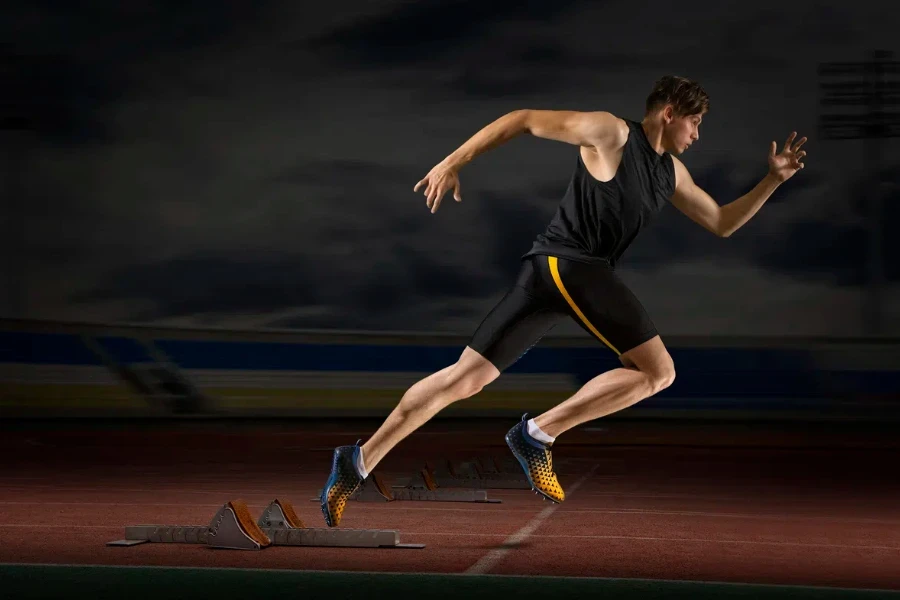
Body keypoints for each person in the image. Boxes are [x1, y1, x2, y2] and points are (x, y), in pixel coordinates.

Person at [320, 75, 807, 527]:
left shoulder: (670, 173)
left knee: (464, 380)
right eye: (696, 122)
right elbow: (523, 119)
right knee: (659, 372)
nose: (698, 135)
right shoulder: (611, 133)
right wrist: (451, 162)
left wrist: (773, 182)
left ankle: (356, 461)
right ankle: (537, 434)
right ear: (670, 112)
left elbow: (721, 222)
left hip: (551, 276)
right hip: (571, 266)